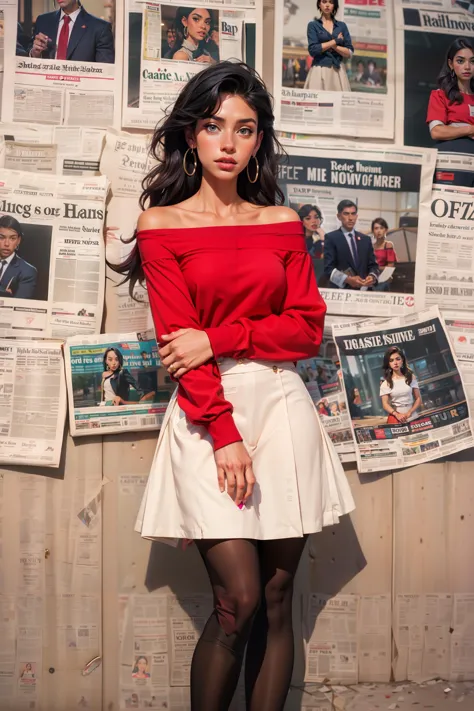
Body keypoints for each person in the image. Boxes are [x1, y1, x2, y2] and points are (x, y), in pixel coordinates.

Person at [111, 61, 354, 711]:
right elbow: (177, 346)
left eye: (244, 130)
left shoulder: (279, 222)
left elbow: (304, 331)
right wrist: (224, 435)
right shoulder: (160, 225)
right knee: (237, 601)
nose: (227, 142)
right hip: (207, 413)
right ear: (191, 134)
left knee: (276, 600)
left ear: (258, 140)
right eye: (214, 126)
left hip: (280, 406)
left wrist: (219, 337)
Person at [27, 0, 115, 63]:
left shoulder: (100, 28)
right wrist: (35, 53)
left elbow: (105, 72)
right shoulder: (43, 21)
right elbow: (28, 55)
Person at [426, 37, 474, 152]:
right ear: (450, 64)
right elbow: (436, 132)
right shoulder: (440, 95)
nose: (467, 67)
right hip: (452, 160)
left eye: (472, 61)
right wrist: (469, 130)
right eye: (460, 61)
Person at [323, 200, 379, 289]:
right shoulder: (331, 238)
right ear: (339, 216)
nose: (350, 218)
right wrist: (347, 279)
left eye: (353, 214)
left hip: (365, 292)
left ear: (357, 216)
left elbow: (373, 265)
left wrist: (372, 276)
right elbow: (328, 269)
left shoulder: (366, 239)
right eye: (346, 214)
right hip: (343, 292)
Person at [304, 0, 353, 91]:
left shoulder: (342, 26)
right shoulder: (313, 25)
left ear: (334, 5)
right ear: (319, 4)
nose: (327, 5)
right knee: (316, 102)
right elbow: (313, 50)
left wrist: (334, 46)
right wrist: (335, 41)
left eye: (330, 2)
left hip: (338, 70)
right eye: (324, 1)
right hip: (319, 69)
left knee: (339, 102)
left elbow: (349, 52)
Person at [380, 347, 422, 424]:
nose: (395, 363)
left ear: (402, 360)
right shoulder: (385, 384)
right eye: (391, 360)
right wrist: (397, 414)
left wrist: (410, 412)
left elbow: (418, 399)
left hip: (412, 415)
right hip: (397, 418)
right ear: (388, 364)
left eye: (397, 359)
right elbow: (385, 404)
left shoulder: (411, 377)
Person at [0, 216, 37, 300]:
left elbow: (18, 306)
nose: (6, 244)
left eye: (12, 238)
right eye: (1, 237)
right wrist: (5, 293)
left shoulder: (28, 271)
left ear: (18, 240)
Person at [371, 217, 396, 292]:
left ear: (386, 230)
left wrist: (375, 267)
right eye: (376, 228)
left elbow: (390, 267)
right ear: (373, 231)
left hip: (383, 278)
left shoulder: (388, 245)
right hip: (371, 277)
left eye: (381, 228)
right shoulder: (370, 246)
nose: (379, 231)